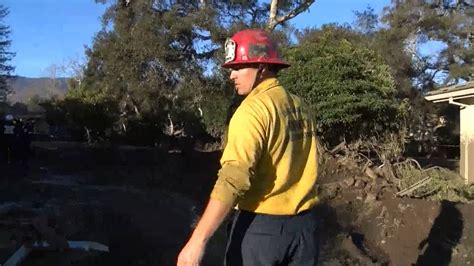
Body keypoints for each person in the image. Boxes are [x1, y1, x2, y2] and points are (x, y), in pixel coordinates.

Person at [177, 29, 320, 266]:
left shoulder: (252, 111)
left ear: (262, 68)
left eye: (238, 68)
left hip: (262, 231)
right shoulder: (299, 106)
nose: (231, 75)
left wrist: (197, 240)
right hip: (305, 231)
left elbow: (234, 178)